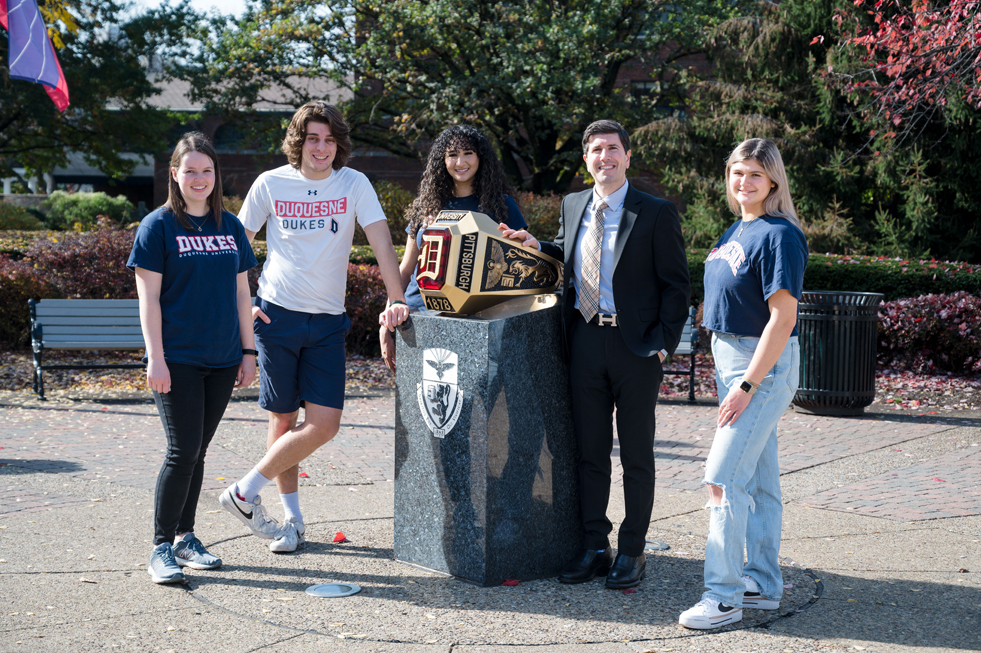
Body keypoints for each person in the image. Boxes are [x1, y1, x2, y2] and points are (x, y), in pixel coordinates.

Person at [502, 120, 690, 589]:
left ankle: (632, 550)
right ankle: (594, 546)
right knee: (589, 453)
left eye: (612, 149)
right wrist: (537, 245)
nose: (604, 157)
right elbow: (567, 252)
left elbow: (677, 286)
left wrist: (663, 345)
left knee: (637, 454)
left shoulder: (655, 212)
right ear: (585, 159)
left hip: (636, 348)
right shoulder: (573, 204)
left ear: (627, 156)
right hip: (584, 341)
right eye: (595, 150)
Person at [218, 101, 409, 553]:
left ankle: (244, 491)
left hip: (326, 321)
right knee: (282, 419)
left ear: (338, 144)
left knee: (323, 424)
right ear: (298, 142)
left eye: (329, 139)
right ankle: (293, 521)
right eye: (312, 138)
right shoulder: (270, 183)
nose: (321, 147)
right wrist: (240, 308)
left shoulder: (353, 183)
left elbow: (381, 240)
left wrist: (396, 295)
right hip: (275, 316)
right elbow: (235, 248)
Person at [678, 138, 807, 629]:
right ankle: (762, 585)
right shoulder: (738, 227)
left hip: (760, 366)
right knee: (757, 480)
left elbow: (783, 318)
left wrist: (748, 385)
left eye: (754, 174)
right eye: (736, 173)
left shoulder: (780, 235)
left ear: (772, 180)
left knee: (722, 478)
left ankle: (724, 595)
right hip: (733, 358)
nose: (744, 182)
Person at [128, 132, 258, 584]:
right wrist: (155, 358)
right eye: (191, 171)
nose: (199, 178)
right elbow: (148, 300)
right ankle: (160, 547)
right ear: (175, 175)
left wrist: (248, 351)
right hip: (177, 357)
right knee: (182, 450)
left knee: (198, 450)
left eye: (207, 170)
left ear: (216, 175)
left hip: (223, 358)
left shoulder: (231, 226)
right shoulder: (157, 226)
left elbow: (243, 293)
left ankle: (186, 537)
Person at [378, 124, 528, 370]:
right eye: (452, 154)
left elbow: (520, 266)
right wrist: (387, 322)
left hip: (479, 319)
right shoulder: (425, 207)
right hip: (419, 316)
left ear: (480, 157)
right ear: (442, 160)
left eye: (468, 153)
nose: (461, 161)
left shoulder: (502, 206)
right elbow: (405, 271)